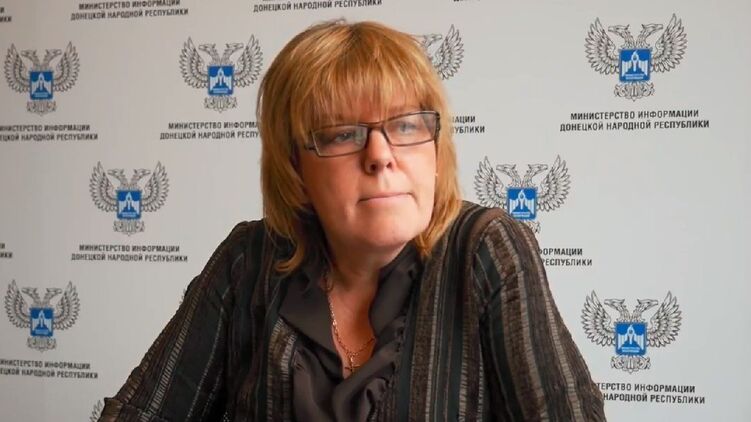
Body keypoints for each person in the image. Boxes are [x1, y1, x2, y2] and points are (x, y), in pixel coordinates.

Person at [100, 20, 605, 421]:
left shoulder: (485, 248)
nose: (381, 156)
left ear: (436, 150)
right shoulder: (248, 259)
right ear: (295, 166)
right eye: (343, 134)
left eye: (405, 125)